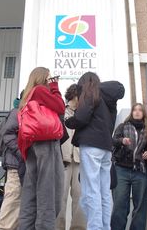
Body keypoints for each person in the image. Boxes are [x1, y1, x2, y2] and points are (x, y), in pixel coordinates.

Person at [65, 72, 125, 230]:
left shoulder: (89, 93)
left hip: (91, 147)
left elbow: (82, 117)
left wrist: (69, 121)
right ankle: (105, 227)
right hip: (106, 148)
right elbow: (111, 125)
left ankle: (95, 227)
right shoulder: (109, 100)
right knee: (104, 192)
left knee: (90, 192)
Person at [18, 67, 65, 230]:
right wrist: (55, 87)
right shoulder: (40, 90)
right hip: (46, 143)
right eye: (49, 77)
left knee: (31, 192)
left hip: (32, 144)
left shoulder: (29, 94)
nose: (51, 79)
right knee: (50, 191)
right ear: (44, 78)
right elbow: (60, 107)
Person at [111, 103, 147, 230]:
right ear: (131, 113)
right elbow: (113, 141)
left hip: (140, 170)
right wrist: (121, 141)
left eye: (140, 110)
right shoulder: (122, 127)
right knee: (119, 204)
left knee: (140, 206)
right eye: (135, 110)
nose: (137, 112)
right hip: (121, 169)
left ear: (143, 114)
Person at [56, 84, 86, 230]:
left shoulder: (85, 113)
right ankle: (58, 228)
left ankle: (79, 228)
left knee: (80, 198)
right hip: (63, 160)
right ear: (74, 96)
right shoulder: (60, 111)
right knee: (60, 197)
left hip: (80, 160)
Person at [0, 96, 26, 230]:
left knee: (18, 202)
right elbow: (8, 135)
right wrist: (21, 153)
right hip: (15, 164)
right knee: (13, 199)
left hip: (22, 164)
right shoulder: (17, 112)